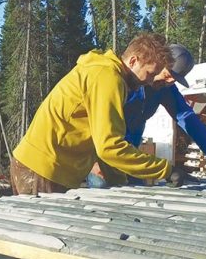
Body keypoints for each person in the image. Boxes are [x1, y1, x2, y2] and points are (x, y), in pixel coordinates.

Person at [11, 32, 179, 195]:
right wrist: (165, 170)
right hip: (44, 168)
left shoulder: (103, 72)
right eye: (150, 73)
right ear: (133, 61)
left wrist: (120, 184)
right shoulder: (108, 78)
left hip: (45, 167)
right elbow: (109, 147)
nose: (150, 81)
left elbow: (103, 143)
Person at [88, 44, 206, 188]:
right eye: (168, 74)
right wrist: (94, 160)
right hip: (101, 156)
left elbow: (188, 119)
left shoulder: (165, 89)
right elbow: (92, 120)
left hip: (131, 157)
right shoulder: (119, 82)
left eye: (176, 79)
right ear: (157, 64)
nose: (171, 81)